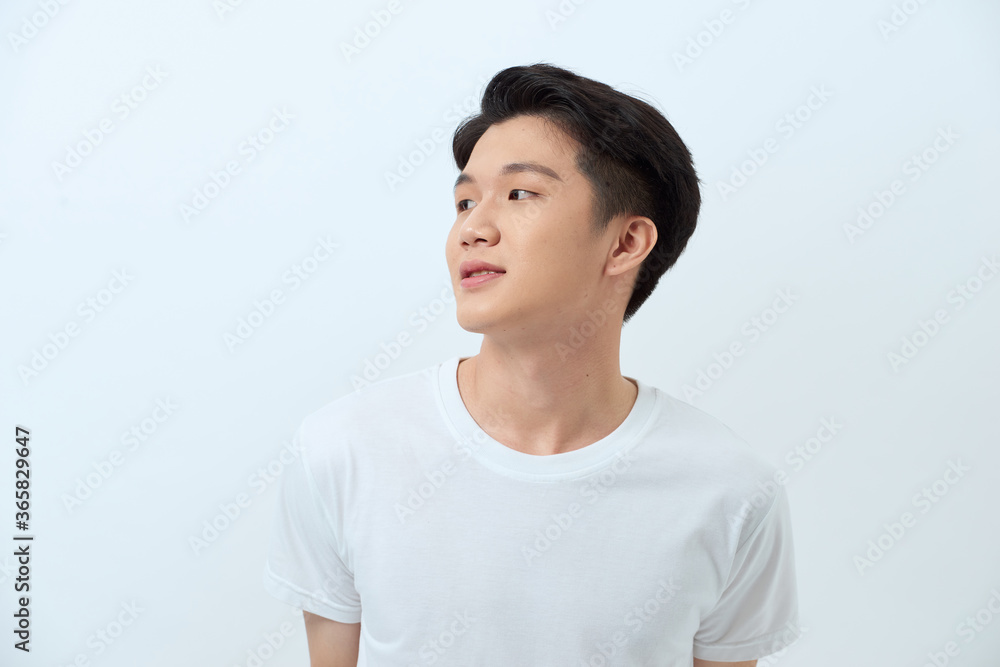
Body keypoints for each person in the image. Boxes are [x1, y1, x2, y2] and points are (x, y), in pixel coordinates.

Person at [262, 62, 801, 666]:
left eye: (520, 194)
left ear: (626, 243)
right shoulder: (345, 450)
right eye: (464, 200)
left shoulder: (728, 489)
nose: (473, 227)